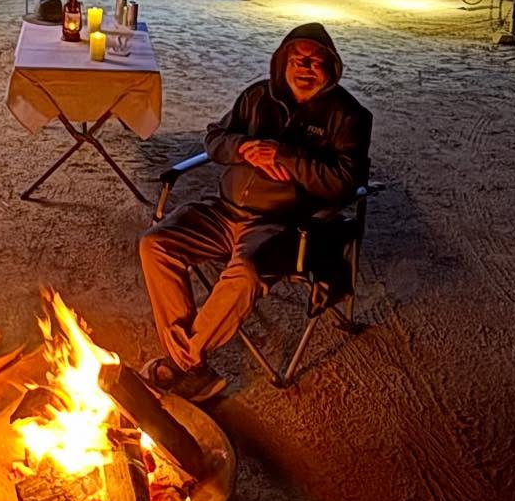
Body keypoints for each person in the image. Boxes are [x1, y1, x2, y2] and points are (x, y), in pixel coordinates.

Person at [138, 22, 370, 401]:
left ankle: (183, 363)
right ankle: (192, 363)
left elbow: (346, 181)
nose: (305, 67)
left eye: (315, 61)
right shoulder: (257, 97)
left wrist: (286, 157)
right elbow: (215, 138)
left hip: (280, 223)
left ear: (331, 66)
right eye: (298, 59)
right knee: (156, 245)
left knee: (244, 273)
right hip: (223, 209)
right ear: (283, 62)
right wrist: (244, 148)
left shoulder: (348, 116)